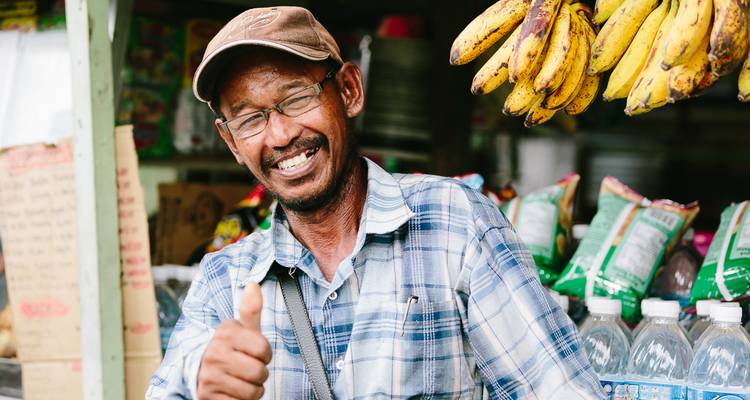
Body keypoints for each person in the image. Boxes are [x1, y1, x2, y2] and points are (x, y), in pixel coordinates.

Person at [146, 6, 605, 400]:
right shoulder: (225, 281)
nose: (281, 135)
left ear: (349, 91)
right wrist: (199, 373)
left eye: (297, 97)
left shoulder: (454, 225)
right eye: (250, 120)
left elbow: (560, 388)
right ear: (230, 142)